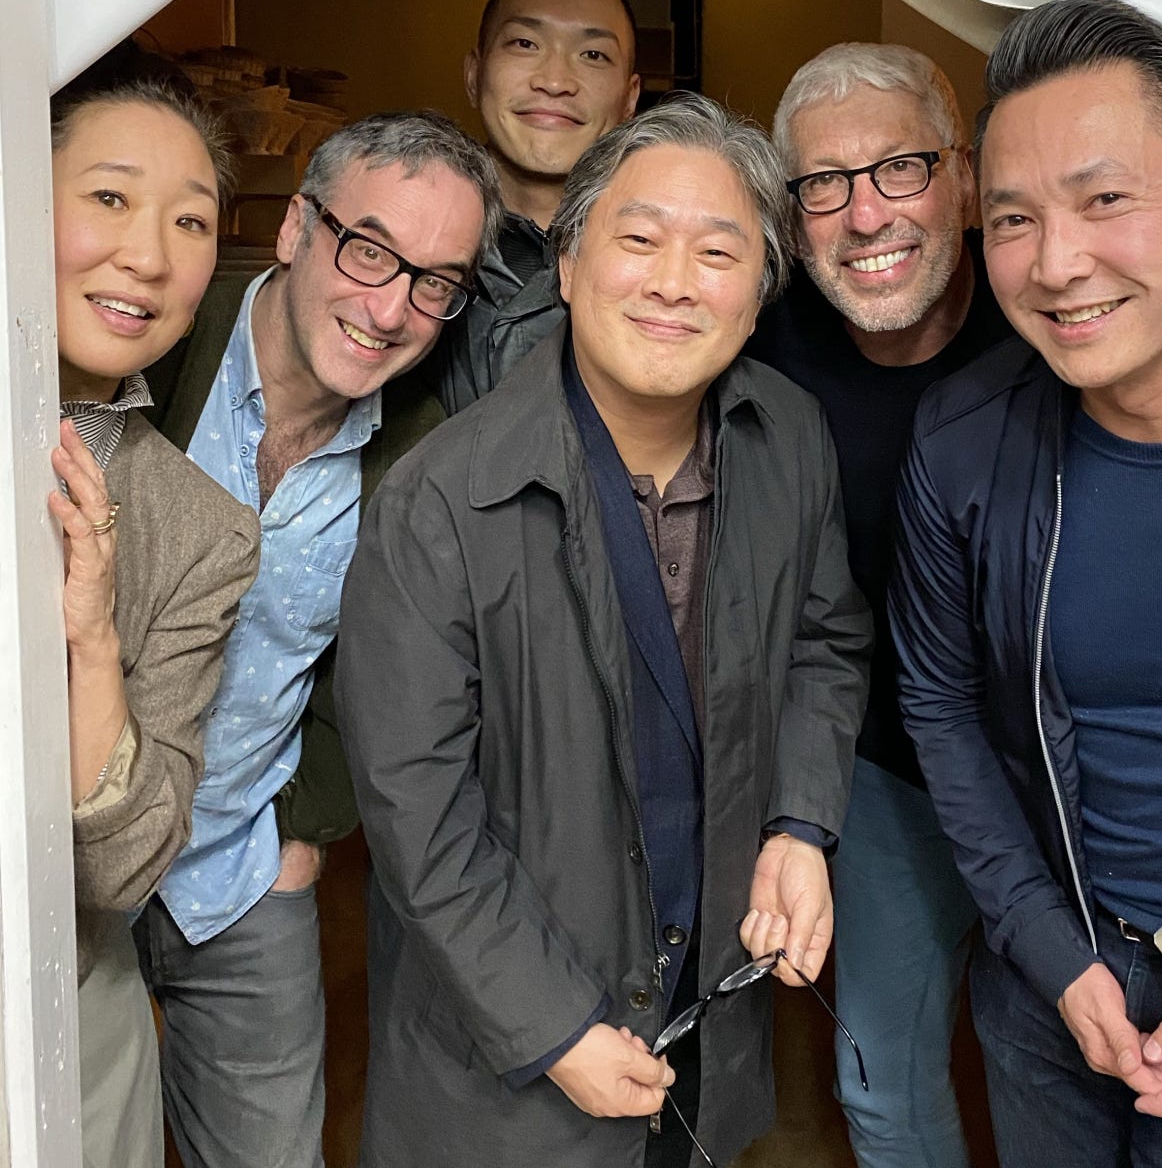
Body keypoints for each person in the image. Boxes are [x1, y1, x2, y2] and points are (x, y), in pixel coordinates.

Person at [335, 93, 874, 1168]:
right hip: (506, 1048)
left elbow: (825, 642)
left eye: (718, 252)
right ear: (568, 267)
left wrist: (798, 826)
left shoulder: (788, 439)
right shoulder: (442, 498)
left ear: (758, 294)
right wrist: (553, 1026)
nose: (674, 282)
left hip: (704, 995)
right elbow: (416, 813)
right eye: (637, 239)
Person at [891, 0, 1162, 1167]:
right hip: (1048, 976)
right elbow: (940, 707)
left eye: (1104, 200)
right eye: (1011, 219)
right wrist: (1054, 955)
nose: (1055, 265)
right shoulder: (962, 438)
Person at [133, 110, 501, 1168]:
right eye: (370, 249)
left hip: (242, 871)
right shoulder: (156, 346)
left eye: (436, 282)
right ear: (296, 228)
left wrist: (305, 838)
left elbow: (373, 672)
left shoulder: (419, 451)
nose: (391, 309)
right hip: (72, 866)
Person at [751, 42, 1011, 1168]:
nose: (863, 215)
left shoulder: (1051, 318)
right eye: (823, 183)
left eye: (899, 168)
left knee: (1065, 1062)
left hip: (1052, 775)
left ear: (960, 177)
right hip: (876, 772)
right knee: (885, 1086)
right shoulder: (757, 355)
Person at [48, 67, 259, 1168]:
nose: (150, 254)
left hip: (66, 1009)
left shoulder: (197, 527)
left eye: (190, 222)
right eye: (111, 198)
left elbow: (122, 869)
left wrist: (90, 638)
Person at [437, 0, 641, 413]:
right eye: (525, 44)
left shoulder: (662, 263)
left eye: (593, 54)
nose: (555, 81)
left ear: (630, 98)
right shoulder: (407, 245)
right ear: (474, 75)